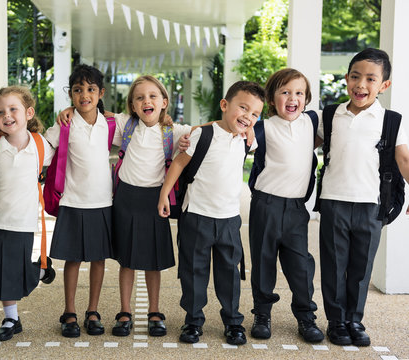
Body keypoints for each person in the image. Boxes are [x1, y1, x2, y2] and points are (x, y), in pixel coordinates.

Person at [158, 81, 264, 345]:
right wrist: (164, 194)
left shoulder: (246, 140)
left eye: (254, 114)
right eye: (243, 108)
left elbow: (251, 137)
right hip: (196, 215)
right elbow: (180, 163)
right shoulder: (202, 134)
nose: (248, 117)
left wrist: (249, 130)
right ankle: (193, 321)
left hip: (229, 219)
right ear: (225, 105)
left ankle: (233, 322)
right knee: (194, 272)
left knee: (230, 273)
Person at [316, 48, 409, 347]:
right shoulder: (331, 114)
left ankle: (354, 319)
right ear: (346, 79)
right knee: (334, 265)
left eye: (371, 78)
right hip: (333, 200)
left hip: (371, 204)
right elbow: (304, 143)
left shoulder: (391, 120)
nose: (361, 84)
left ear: (384, 85)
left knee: (360, 268)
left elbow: (404, 159)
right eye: (355, 76)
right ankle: (335, 321)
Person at [111, 75, 192, 337]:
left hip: (156, 200)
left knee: (153, 261)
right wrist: (69, 111)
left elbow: (205, 129)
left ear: (164, 102)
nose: (147, 100)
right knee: (126, 259)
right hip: (125, 199)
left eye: (153, 96)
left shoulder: (174, 131)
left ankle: (154, 311)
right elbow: (96, 115)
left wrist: (244, 126)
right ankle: (125, 311)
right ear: (133, 106)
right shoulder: (125, 125)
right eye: (140, 97)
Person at [247, 68, 324, 343]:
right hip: (265, 204)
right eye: (285, 92)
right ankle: (262, 313)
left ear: (307, 98)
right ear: (271, 98)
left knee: (300, 264)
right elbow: (232, 133)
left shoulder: (313, 122)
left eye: (299, 93)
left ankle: (306, 316)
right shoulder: (261, 127)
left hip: (295, 208)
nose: (293, 98)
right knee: (263, 261)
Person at [44, 64, 115, 338]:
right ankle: (70, 311)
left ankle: (93, 310)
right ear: (70, 94)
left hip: (102, 203)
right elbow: (43, 148)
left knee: (98, 259)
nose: (84, 95)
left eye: (90, 89)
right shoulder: (64, 123)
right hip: (72, 201)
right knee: (72, 259)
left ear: (100, 93)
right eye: (77, 90)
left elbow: (139, 127)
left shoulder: (110, 123)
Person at [0, 86, 56, 341]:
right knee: (0, 272)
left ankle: (33, 278)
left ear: (28, 112)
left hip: (24, 222)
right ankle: (12, 315)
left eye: (13, 109)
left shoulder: (41, 146)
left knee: (11, 271)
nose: (7, 116)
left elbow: (63, 148)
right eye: (0, 112)